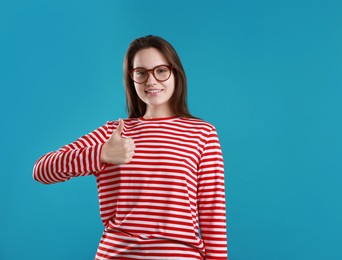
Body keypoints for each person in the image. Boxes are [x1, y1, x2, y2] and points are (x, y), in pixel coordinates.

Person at [33, 35, 228, 260]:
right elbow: (41, 170)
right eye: (141, 73)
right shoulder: (113, 132)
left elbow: (213, 214)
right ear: (132, 78)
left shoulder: (202, 134)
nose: (151, 81)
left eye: (161, 70)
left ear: (175, 73)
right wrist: (101, 153)